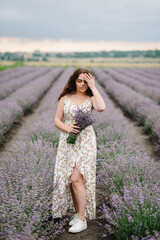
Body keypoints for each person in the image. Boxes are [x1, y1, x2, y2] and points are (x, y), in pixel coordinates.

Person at [52, 67, 106, 233]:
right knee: (70, 179)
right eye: (80, 80)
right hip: (68, 142)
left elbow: (101, 107)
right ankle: (78, 213)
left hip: (86, 142)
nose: (83, 84)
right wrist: (68, 129)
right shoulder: (65, 98)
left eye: (86, 81)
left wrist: (94, 87)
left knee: (76, 177)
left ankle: (82, 219)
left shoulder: (91, 98)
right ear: (74, 81)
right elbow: (56, 120)